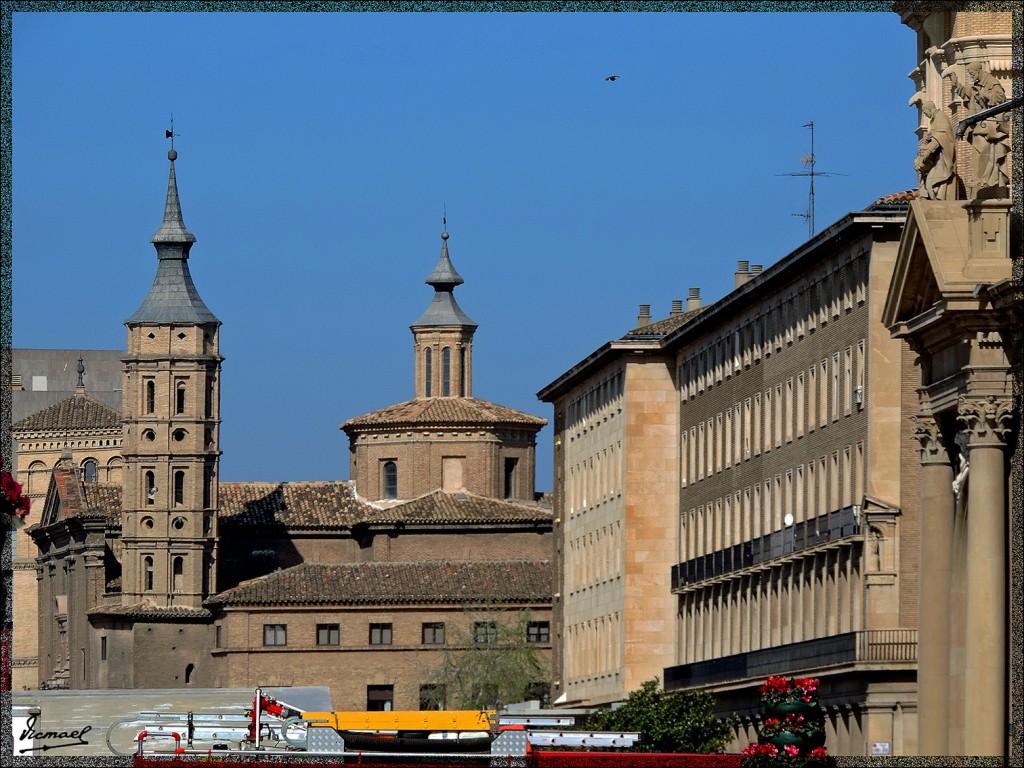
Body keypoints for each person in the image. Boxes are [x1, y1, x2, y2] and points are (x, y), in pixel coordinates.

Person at [914, 101, 956, 199]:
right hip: (937, 159)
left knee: (931, 183)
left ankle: (938, 202)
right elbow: (935, 135)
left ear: (928, 109)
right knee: (929, 184)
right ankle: (935, 200)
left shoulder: (940, 117)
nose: (925, 114)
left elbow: (940, 136)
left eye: (925, 112)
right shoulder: (936, 119)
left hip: (943, 159)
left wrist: (928, 150)